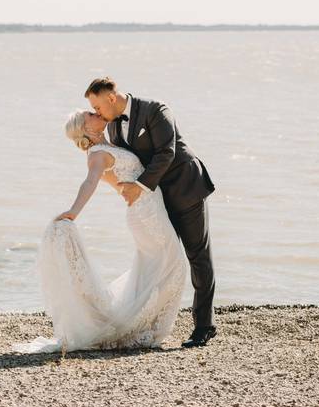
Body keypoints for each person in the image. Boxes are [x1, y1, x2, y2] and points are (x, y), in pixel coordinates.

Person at [11, 108, 188, 353]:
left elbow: (120, 184)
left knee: (157, 267)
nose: (96, 114)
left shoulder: (110, 144)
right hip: (146, 214)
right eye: (90, 115)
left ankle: (143, 327)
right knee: (174, 264)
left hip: (148, 209)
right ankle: (143, 328)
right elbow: (90, 181)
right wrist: (74, 211)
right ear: (87, 128)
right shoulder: (97, 154)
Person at [84, 77, 217, 348]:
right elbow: (125, 164)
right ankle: (152, 322)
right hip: (155, 200)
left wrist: (139, 187)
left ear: (111, 97)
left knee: (197, 255)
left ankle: (204, 326)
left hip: (185, 187)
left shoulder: (156, 110)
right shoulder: (113, 130)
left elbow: (166, 153)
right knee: (163, 259)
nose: (97, 113)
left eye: (97, 107)